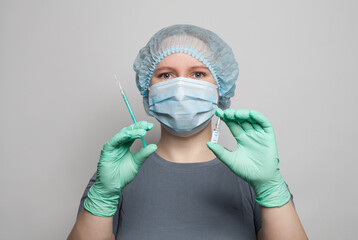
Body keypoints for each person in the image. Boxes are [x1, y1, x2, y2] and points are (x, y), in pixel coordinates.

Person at [67, 24, 308, 240]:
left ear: (220, 88)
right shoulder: (115, 175)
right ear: (147, 89)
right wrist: (103, 196)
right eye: (166, 75)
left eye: (198, 74)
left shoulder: (253, 174)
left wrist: (270, 188)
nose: (181, 87)